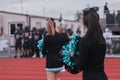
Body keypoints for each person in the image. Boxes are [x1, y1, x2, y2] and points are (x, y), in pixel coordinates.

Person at [76, 7, 108, 80]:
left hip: (90, 77)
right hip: (102, 76)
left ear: (84, 22)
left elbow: (80, 66)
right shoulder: (102, 39)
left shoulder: (85, 40)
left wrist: (73, 56)